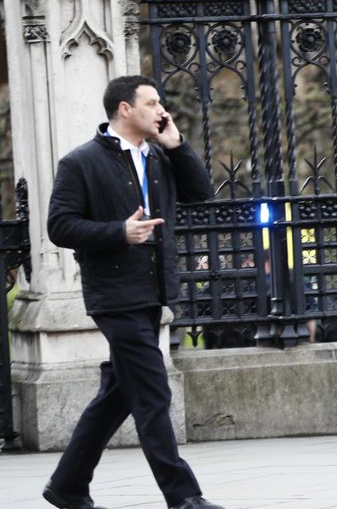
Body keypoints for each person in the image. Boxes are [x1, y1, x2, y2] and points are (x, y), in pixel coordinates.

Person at [45, 76, 222, 509]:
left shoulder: (159, 157)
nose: (161, 109)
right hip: (113, 294)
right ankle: (184, 497)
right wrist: (118, 233)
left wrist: (178, 145)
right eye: (152, 102)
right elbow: (60, 226)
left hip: (151, 291)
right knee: (153, 390)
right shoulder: (81, 162)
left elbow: (200, 195)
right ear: (125, 109)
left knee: (120, 393)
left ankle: (66, 486)